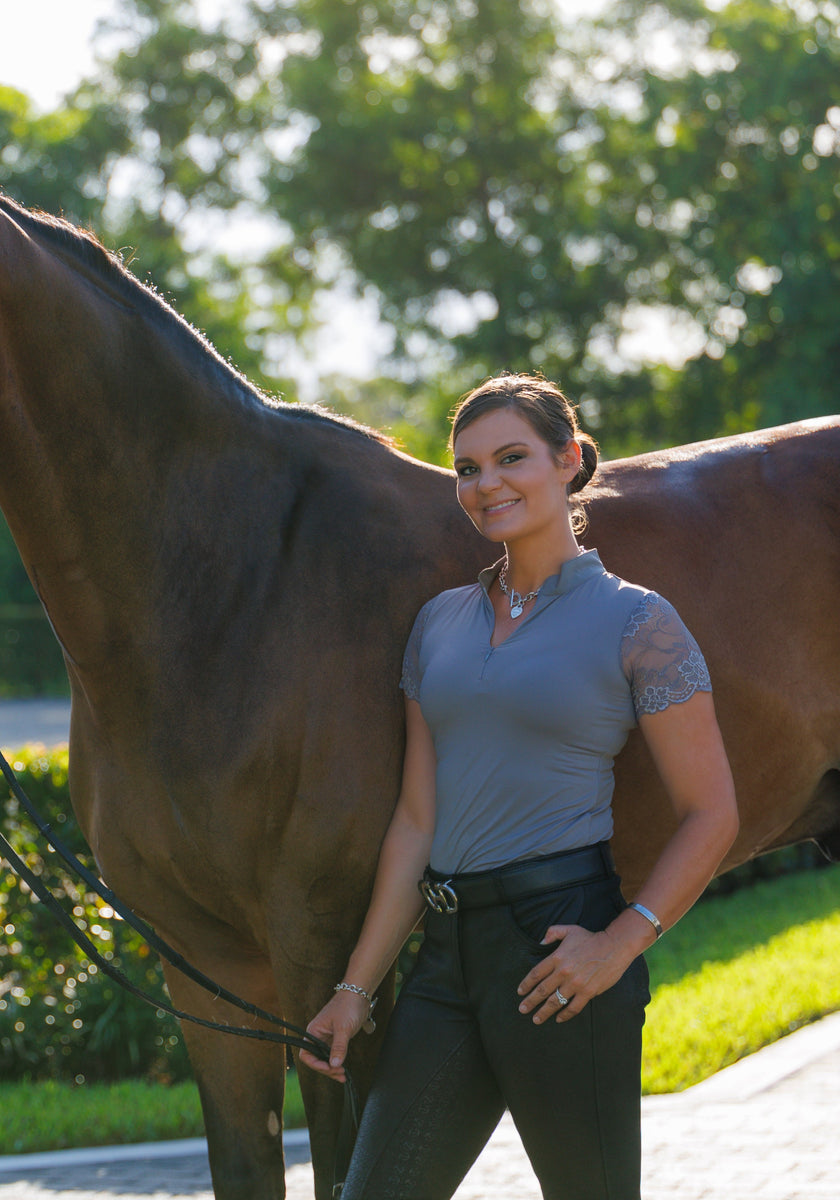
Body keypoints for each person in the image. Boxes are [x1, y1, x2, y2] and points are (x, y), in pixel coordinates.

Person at [301, 373, 738, 1199]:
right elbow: (415, 821)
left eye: (510, 458)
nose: (485, 483)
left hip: (560, 952)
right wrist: (355, 991)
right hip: (445, 963)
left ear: (568, 461)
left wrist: (619, 944)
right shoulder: (439, 623)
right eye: (466, 468)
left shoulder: (639, 622)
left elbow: (711, 813)